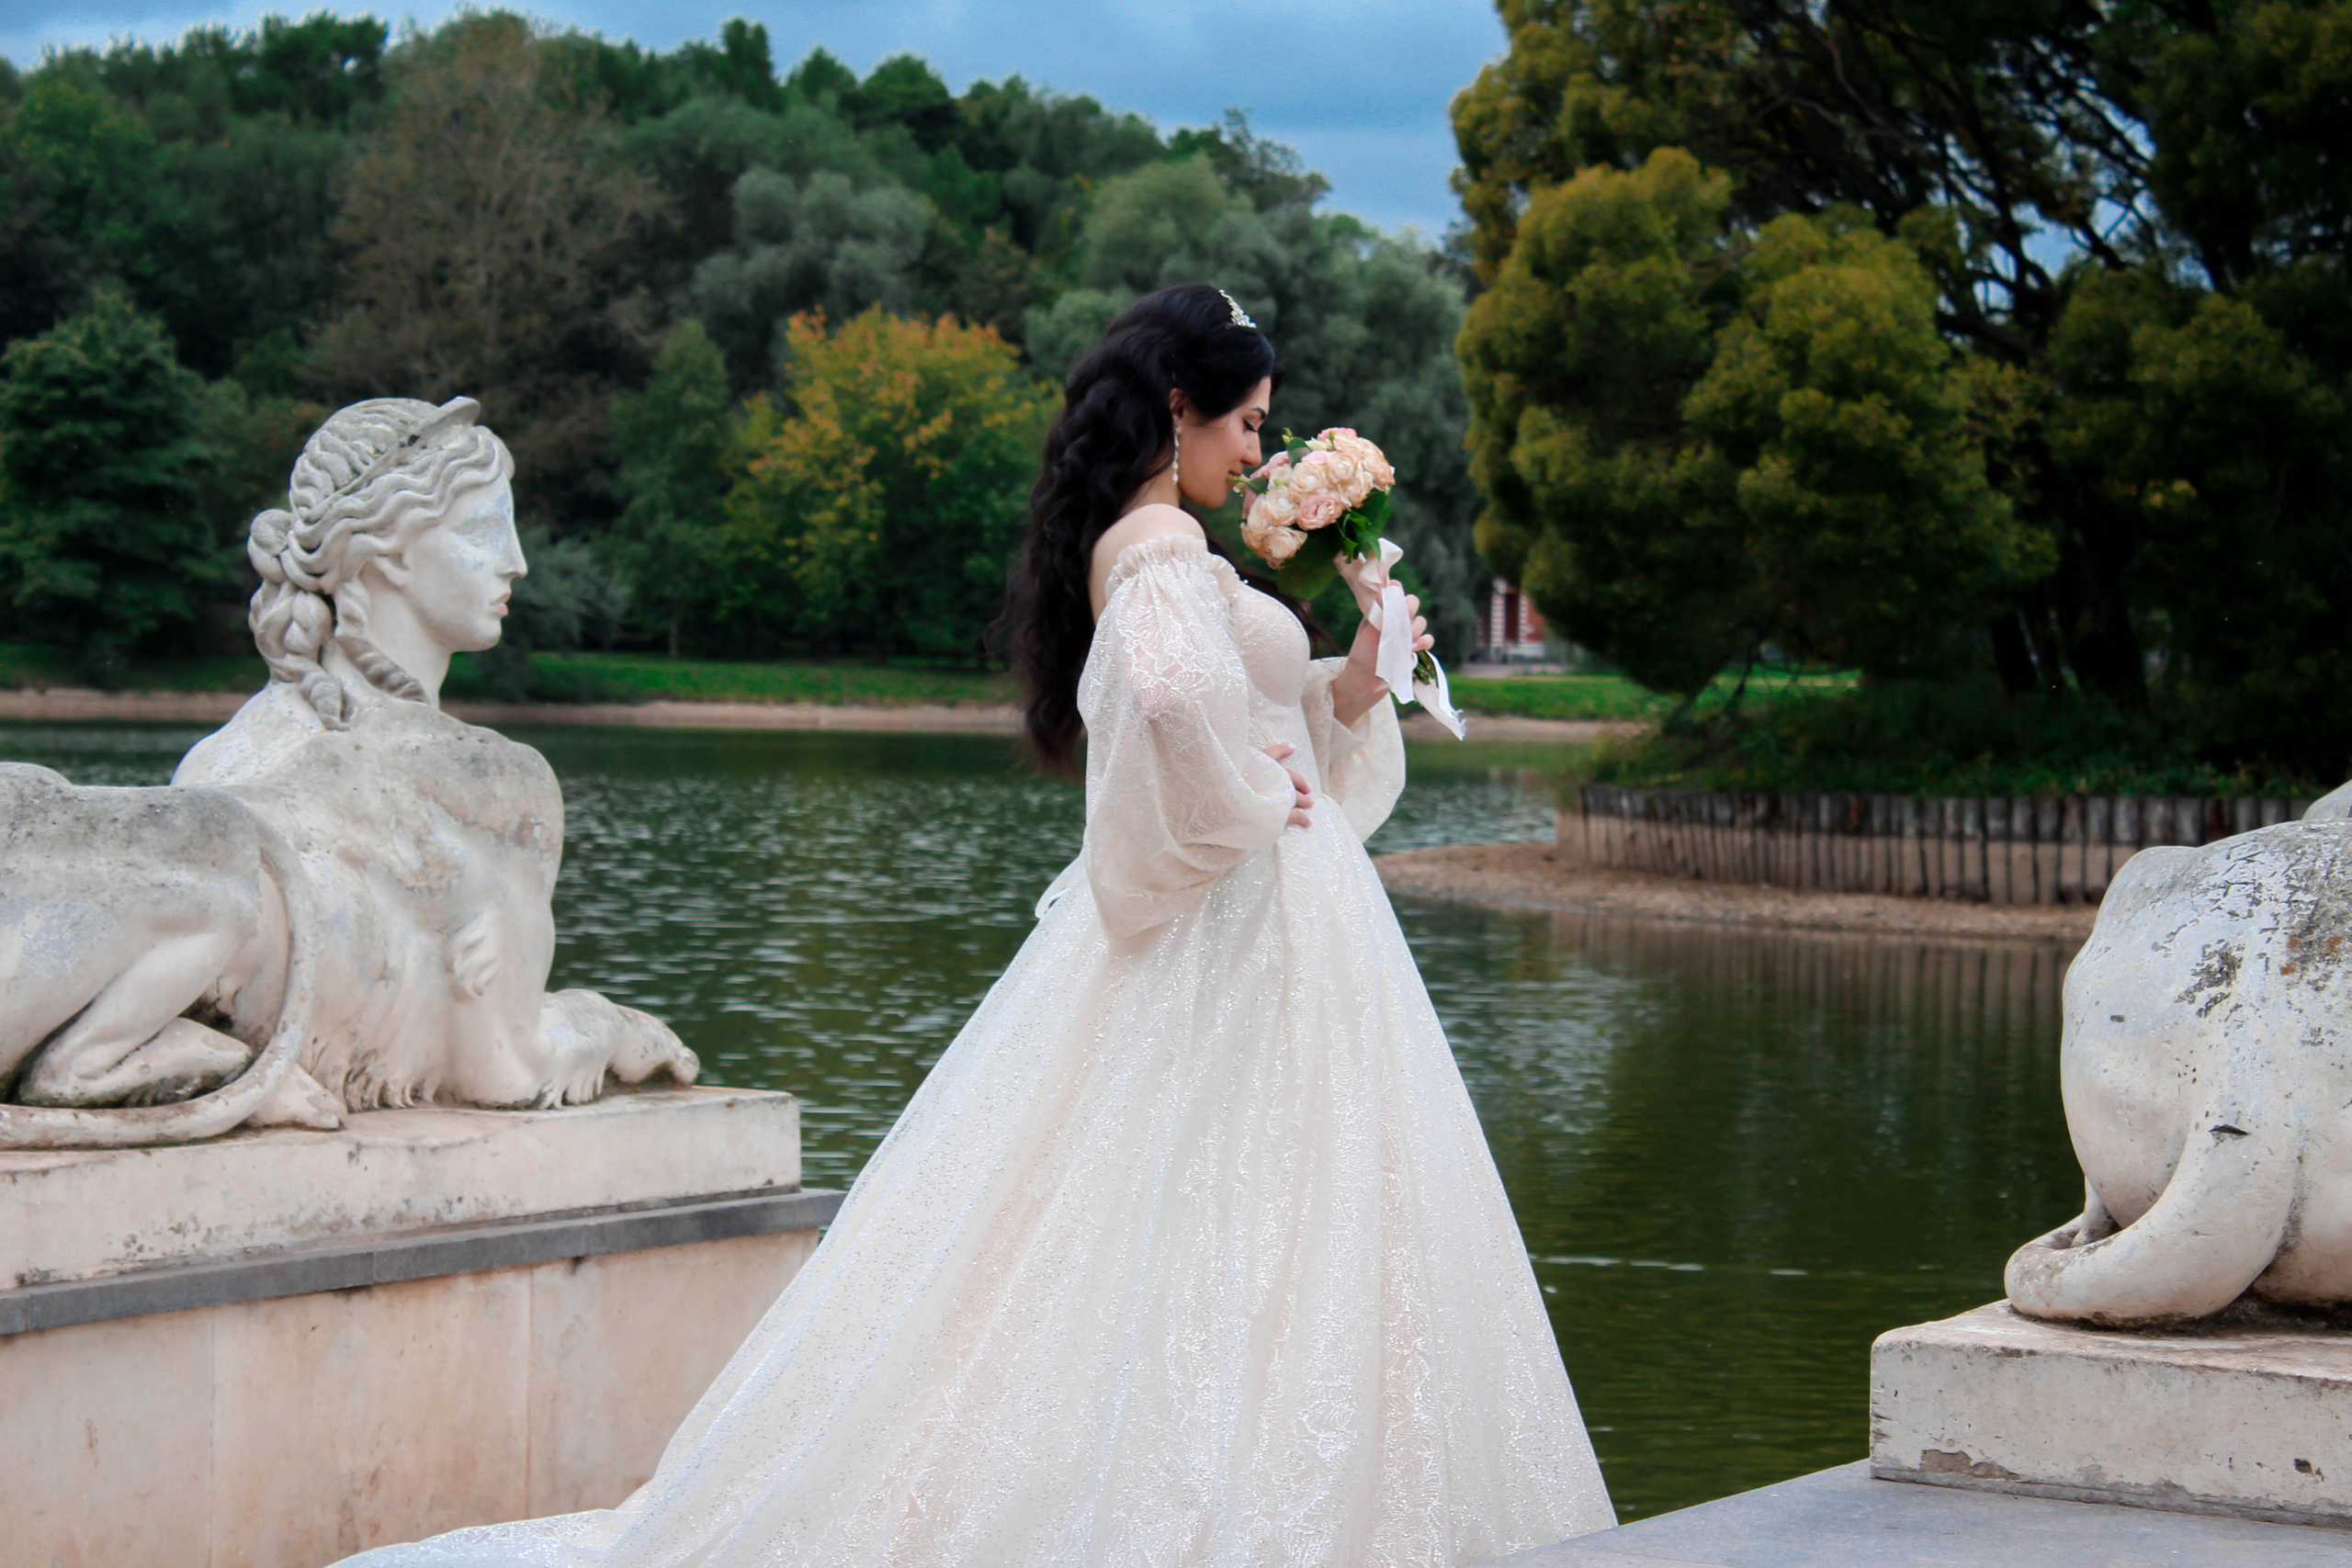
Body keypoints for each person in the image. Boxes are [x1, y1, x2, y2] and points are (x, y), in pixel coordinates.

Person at [337, 287, 1612, 1567]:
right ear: (1179, 408)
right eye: (1246, 422)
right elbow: (1170, 704)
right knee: (1243, 1224)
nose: (1256, 452)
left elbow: (1219, 721)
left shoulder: (1167, 548)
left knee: (1231, 1226)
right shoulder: (1161, 550)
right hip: (1248, 935)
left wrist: (1350, 682)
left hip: (1277, 932)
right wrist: (1244, 795)